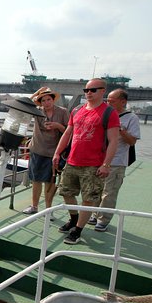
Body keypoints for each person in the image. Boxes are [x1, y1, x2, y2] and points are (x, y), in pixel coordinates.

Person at [52, 78, 120, 244]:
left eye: (93, 90)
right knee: (66, 193)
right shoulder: (77, 110)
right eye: (86, 90)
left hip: (93, 164)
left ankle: (78, 230)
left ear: (102, 91)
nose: (88, 93)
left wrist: (106, 164)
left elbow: (113, 141)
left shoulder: (109, 113)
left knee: (89, 199)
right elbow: (68, 133)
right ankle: (74, 219)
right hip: (72, 161)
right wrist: (57, 153)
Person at [88, 89, 140, 232]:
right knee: (95, 189)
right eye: (108, 100)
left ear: (123, 102)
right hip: (98, 158)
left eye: (112, 101)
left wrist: (121, 130)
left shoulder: (131, 118)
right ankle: (94, 213)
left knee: (109, 192)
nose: (108, 103)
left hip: (116, 162)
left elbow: (132, 141)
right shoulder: (104, 113)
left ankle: (103, 219)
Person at [22, 87, 69, 215]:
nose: (46, 103)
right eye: (43, 100)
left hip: (54, 152)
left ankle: (48, 209)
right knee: (36, 180)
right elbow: (24, 104)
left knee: (50, 180)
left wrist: (58, 126)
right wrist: (36, 92)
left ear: (53, 100)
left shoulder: (63, 112)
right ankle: (34, 206)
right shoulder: (37, 111)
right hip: (37, 149)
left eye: (49, 99)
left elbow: (69, 131)